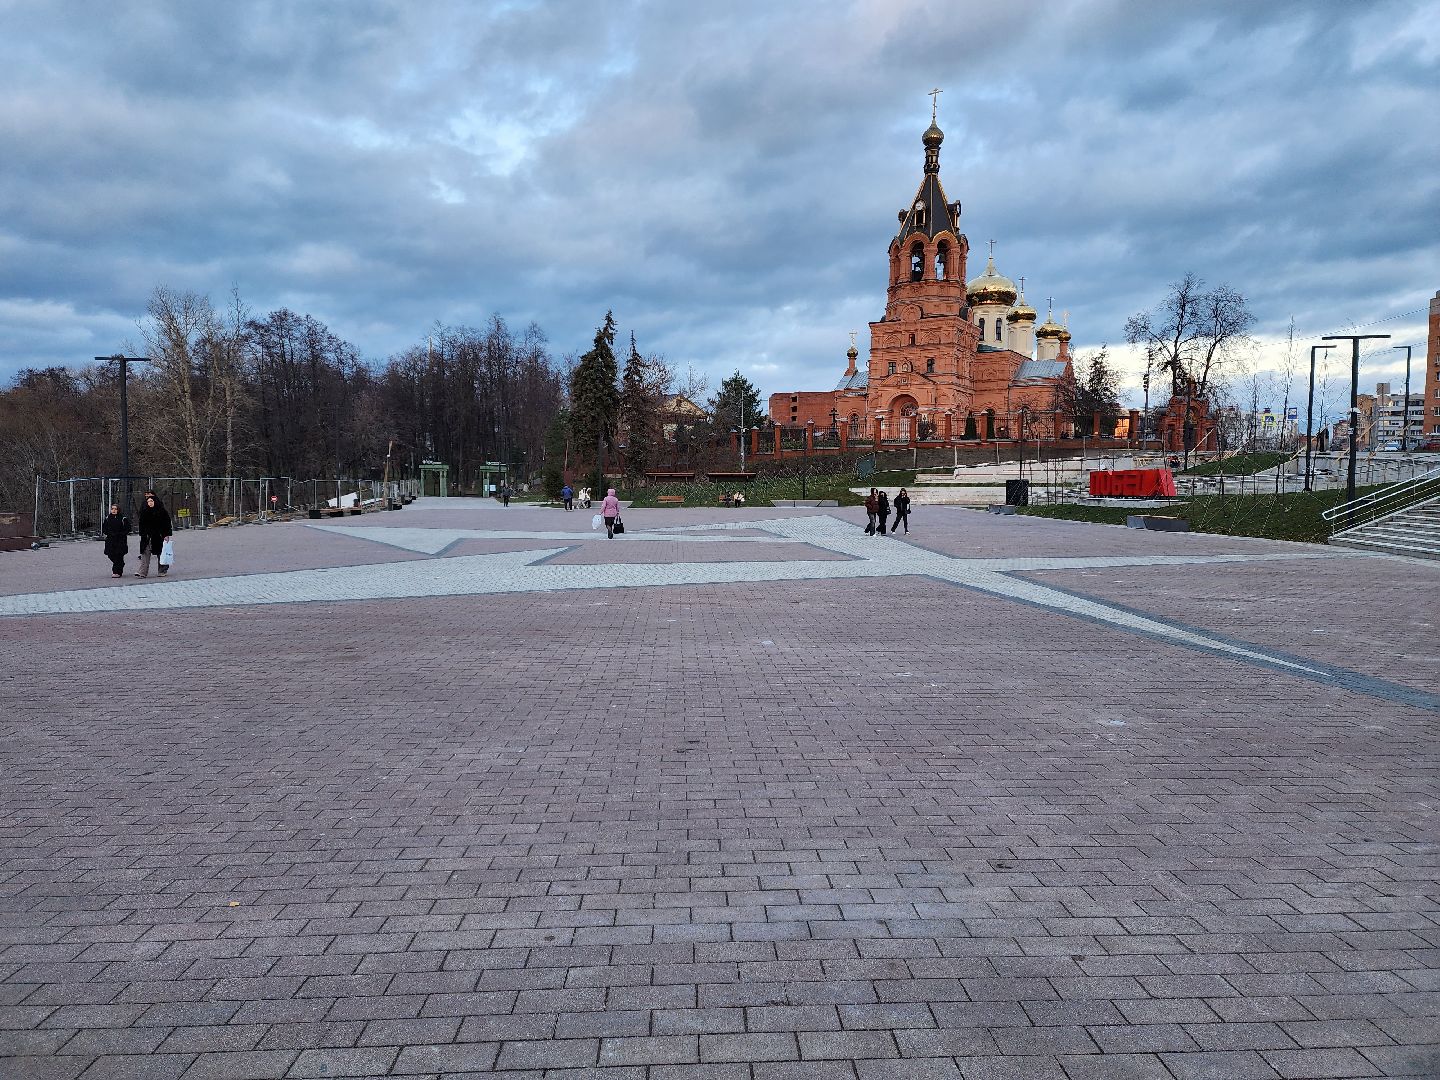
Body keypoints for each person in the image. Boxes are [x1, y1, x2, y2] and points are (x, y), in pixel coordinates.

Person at [135, 490, 172, 578]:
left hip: (159, 536)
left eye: (151, 501)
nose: (150, 503)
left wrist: (166, 535)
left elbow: (167, 523)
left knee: (161, 554)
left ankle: (162, 570)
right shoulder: (144, 512)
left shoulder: (161, 511)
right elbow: (141, 524)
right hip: (147, 536)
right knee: (145, 553)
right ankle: (142, 572)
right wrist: (142, 534)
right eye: (148, 501)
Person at [101, 503, 129, 578]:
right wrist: (109, 533)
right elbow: (104, 528)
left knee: (119, 555)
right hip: (110, 540)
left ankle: (116, 572)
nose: (113, 510)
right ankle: (120, 564)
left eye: (115, 509)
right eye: (112, 509)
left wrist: (120, 534)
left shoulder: (123, 518)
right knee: (110, 554)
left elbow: (127, 529)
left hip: (120, 540)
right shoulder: (107, 518)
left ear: (118, 510)